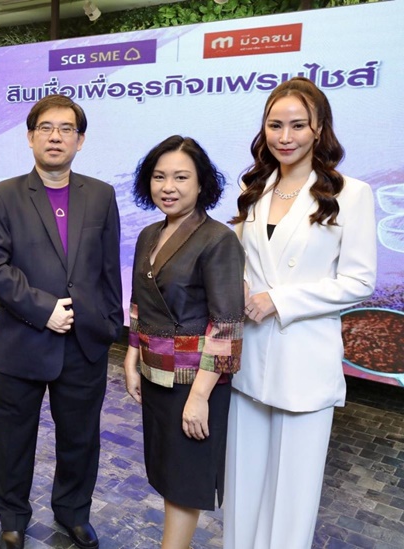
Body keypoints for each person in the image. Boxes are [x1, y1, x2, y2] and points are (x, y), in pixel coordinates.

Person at [223, 77, 377, 549]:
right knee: (241, 485)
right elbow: (241, 259)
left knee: (293, 495)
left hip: (305, 361)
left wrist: (280, 300)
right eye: (275, 125)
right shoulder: (252, 187)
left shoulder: (350, 193)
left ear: (319, 129)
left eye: (297, 125)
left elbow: (359, 282)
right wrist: (239, 283)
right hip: (251, 357)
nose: (284, 136)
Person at [0, 94, 122, 549]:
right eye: (46, 128)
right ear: (30, 137)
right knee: (12, 438)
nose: (55, 136)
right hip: (23, 340)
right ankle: (12, 518)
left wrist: (110, 325)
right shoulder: (1, 195)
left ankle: (73, 511)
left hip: (85, 343)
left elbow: (109, 268)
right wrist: (45, 310)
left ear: (80, 140)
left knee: (81, 439)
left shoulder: (100, 195)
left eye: (66, 129)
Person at [122, 136, 244, 549]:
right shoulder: (149, 234)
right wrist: (132, 356)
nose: (168, 187)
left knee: (185, 481)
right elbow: (139, 303)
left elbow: (227, 326)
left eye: (180, 177)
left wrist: (199, 397)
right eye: (159, 177)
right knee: (166, 471)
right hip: (155, 376)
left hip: (194, 383)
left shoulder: (218, 239)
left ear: (201, 183)